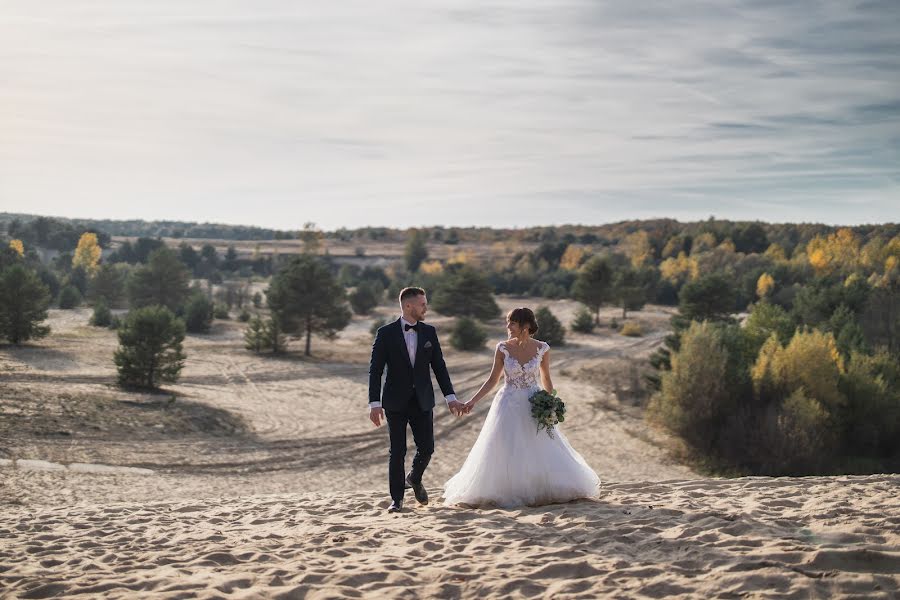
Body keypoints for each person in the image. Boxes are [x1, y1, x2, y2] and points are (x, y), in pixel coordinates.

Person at [443, 307, 600, 508]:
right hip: (508, 402)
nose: (508, 326)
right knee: (506, 446)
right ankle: (508, 489)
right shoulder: (502, 348)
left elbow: (546, 378)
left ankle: (541, 487)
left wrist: (551, 402)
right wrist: (472, 401)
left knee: (539, 445)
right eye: (508, 322)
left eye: (513, 323)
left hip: (534, 402)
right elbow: (493, 380)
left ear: (526, 326)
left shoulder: (543, 348)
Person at [368, 287, 465, 513]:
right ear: (409, 306)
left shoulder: (430, 332)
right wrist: (374, 403)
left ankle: (414, 477)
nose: (426, 308)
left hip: (423, 400)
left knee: (427, 448)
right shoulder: (385, 333)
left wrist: (451, 398)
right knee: (397, 451)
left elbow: (439, 367)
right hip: (394, 401)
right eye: (422, 304)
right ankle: (397, 500)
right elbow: (375, 370)